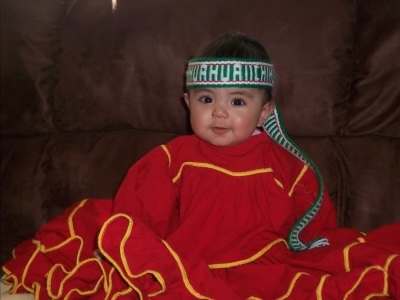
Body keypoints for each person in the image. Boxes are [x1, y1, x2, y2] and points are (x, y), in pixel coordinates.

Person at [1, 32, 399, 299]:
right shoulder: (172, 158)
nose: (220, 113)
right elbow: (142, 219)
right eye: (206, 99)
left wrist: (314, 247)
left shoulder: (290, 165)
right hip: (183, 261)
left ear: (266, 113)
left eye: (238, 101)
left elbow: (313, 229)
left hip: (266, 266)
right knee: (100, 223)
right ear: (187, 103)